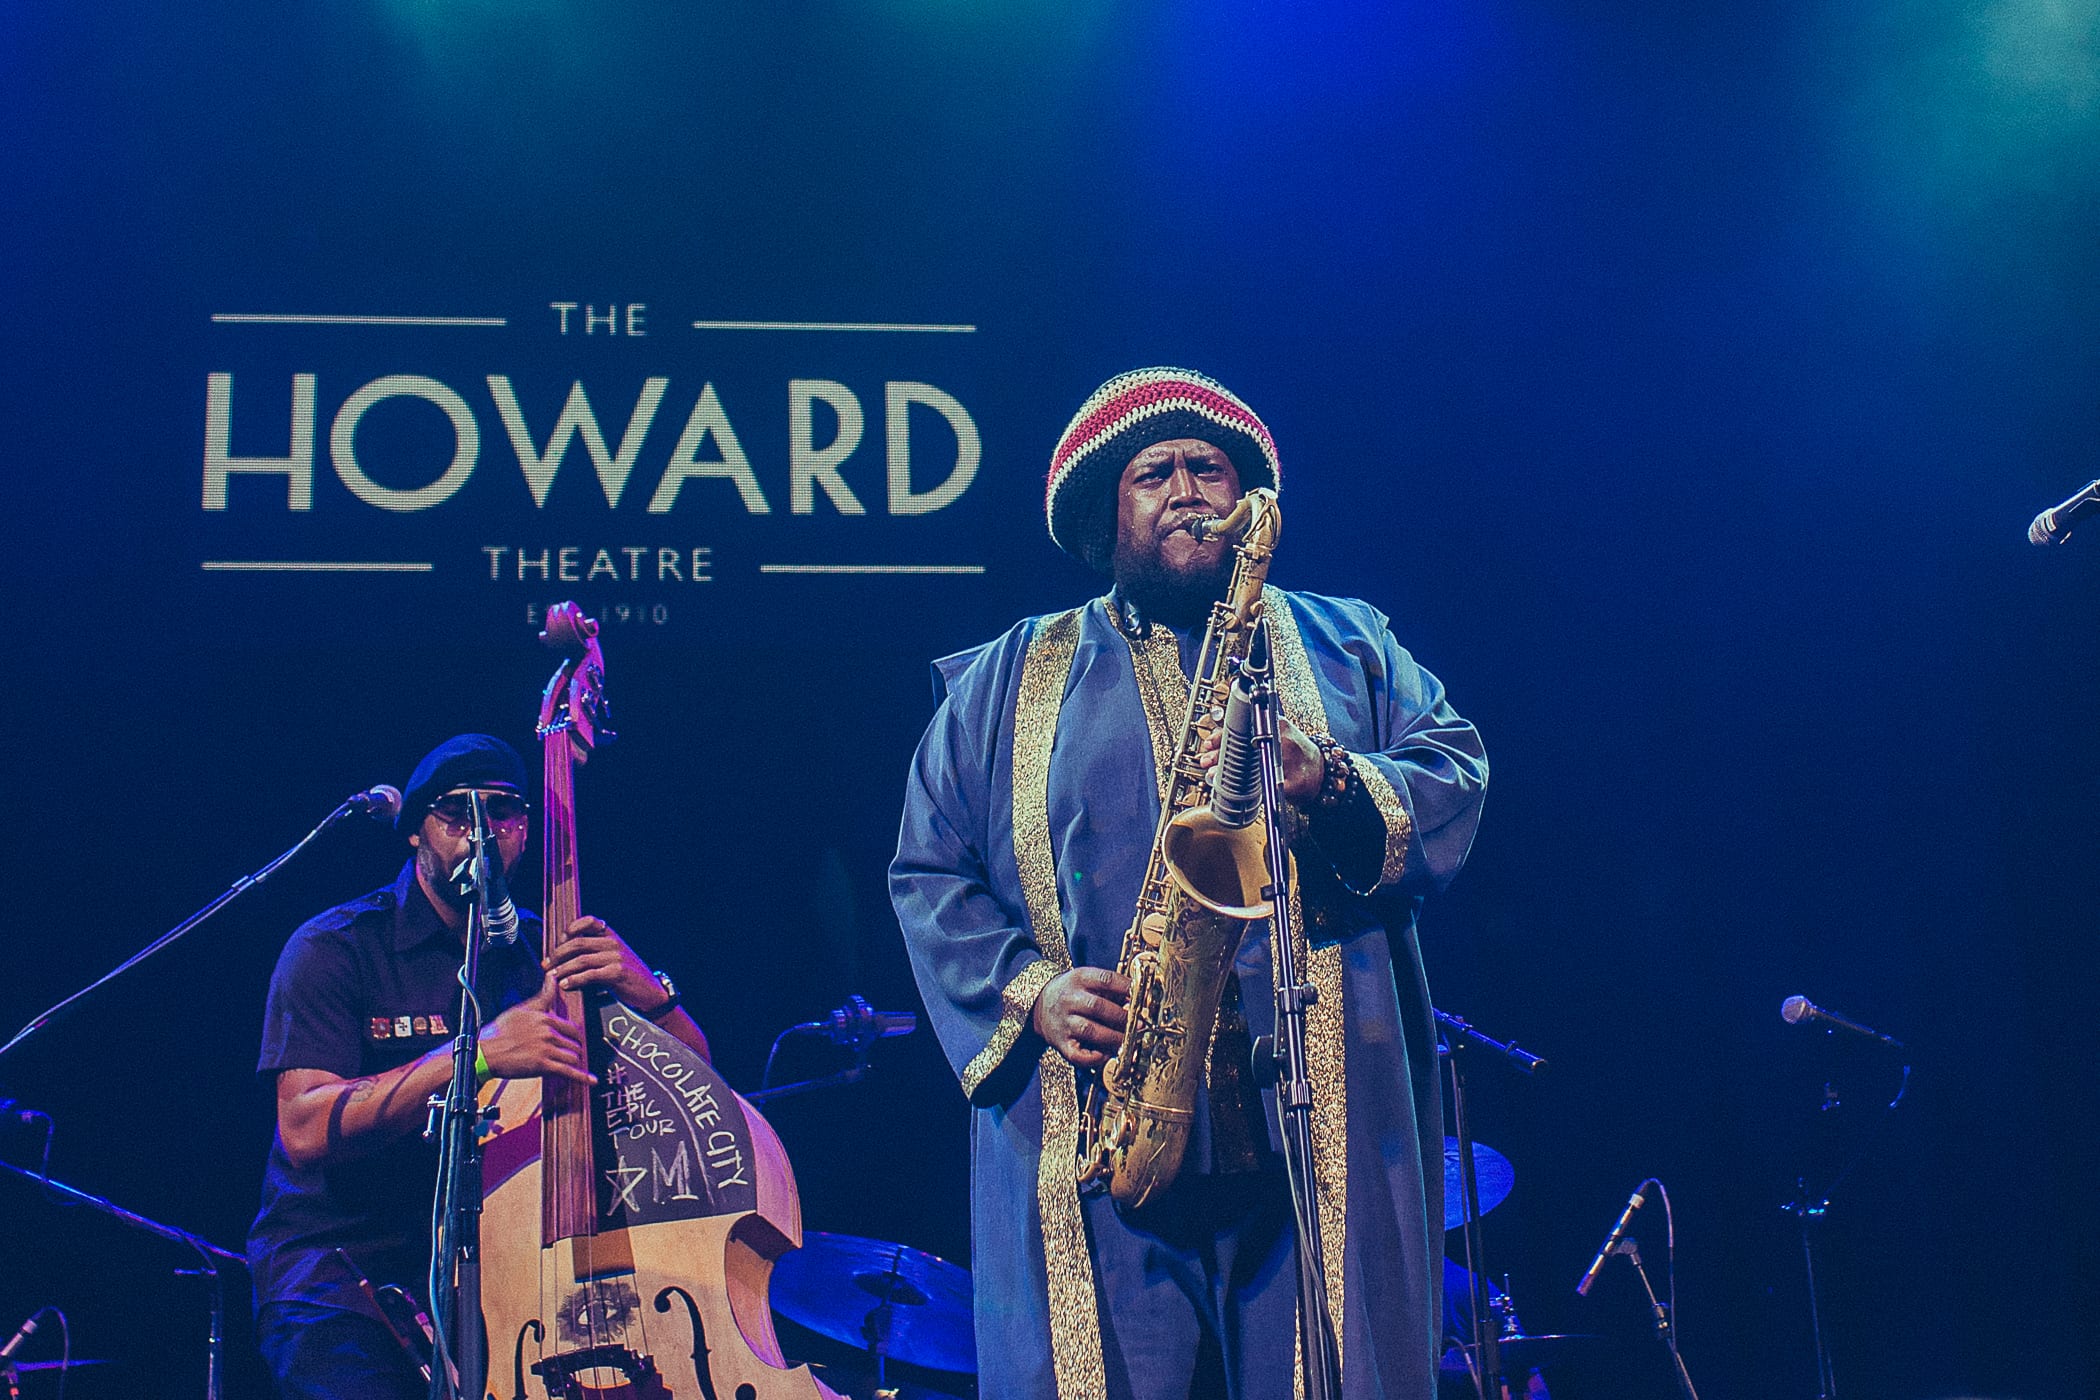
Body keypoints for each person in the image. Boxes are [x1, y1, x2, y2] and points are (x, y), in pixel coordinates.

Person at [891, 368, 1488, 1400]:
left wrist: (1333, 775)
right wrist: (1034, 990)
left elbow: (1455, 769)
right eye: (1153, 472)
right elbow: (927, 867)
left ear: (1249, 500)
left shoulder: (1349, 644)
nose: (1186, 489)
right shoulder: (1007, 678)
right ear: (1103, 510)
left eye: (1208, 468)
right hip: (1102, 1138)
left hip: (1313, 1128)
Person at [248, 733, 708, 1400]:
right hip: (346, 1279)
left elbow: (694, 1088)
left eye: (502, 811)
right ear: (415, 833)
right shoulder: (335, 948)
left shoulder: (539, 953)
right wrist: (482, 1053)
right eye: (458, 814)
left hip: (502, 1280)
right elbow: (304, 1130)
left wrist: (651, 994)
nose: (482, 832)